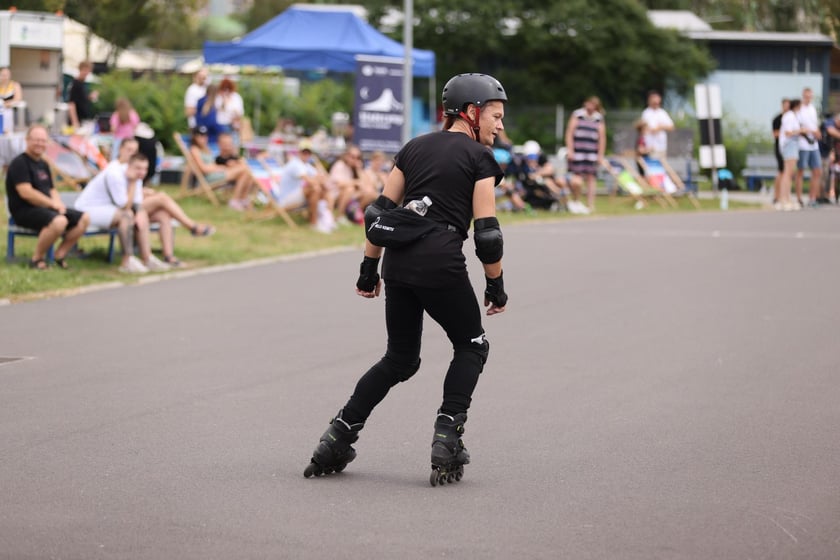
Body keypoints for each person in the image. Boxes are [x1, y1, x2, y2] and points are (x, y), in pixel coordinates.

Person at [302, 73, 509, 486]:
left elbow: (378, 214)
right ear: (471, 113)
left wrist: (368, 269)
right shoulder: (479, 158)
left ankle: (338, 435)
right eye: (496, 115)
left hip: (398, 264)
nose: (500, 125)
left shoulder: (413, 148)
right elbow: (487, 232)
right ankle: (447, 437)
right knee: (472, 345)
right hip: (441, 264)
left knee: (399, 358)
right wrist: (495, 284)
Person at [115, 138, 215, 266]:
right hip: (121, 211)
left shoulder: (134, 167)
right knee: (161, 198)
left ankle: (168, 256)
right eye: (128, 150)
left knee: (163, 215)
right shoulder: (116, 169)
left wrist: (145, 191)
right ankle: (191, 226)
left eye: (134, 150)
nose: (132, 153)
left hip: (134, 206)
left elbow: (135, 193)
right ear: (120, 149)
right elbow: (123, 202)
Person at [5, 124, 91, 269]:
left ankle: (60, 255)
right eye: (36, 140)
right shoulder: (19, 163)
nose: (40, 143)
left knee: (84, 218)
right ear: (27, 140)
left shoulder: (43, 164)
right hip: (24, 211)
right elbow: (26, 192)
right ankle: (37, 259)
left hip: (46, 209)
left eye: (43, 140)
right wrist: (52, 205)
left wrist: (58, 204)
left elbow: (52, 189)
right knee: (59, 221)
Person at [74, 152, 169, 273]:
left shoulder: (136, 176)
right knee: (126, 216)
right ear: (129, 165)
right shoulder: (116, 174)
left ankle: (147, 258)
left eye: (145, 169)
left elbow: (137, 203)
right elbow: (124, 205)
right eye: (138, 168)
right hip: (86, 210)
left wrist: (140, 213)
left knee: (142, 214)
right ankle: (127, 260)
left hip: (106, 209)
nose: (142, 172)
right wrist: (133, 183)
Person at [188, 126, 253, 210]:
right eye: (200, 135)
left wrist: (221, 167)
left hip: (216, 174)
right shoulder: (194, 150)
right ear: (195, 137)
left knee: (246, 171)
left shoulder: (206, 149)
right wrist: (220, 168)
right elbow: (203, 169)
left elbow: (213, 164)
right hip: (208, 178)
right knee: (245, 169)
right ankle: (235, 201)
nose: (203, 138)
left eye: (205, 135)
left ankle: (242, 200)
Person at [275, 146, 332, 232]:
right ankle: (317, 222)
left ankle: (325, 220)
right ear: (299, 153)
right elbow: (310, 180)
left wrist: (320, 177)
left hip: (296, 197)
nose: (306, 155)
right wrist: (320, 181)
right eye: (304, 153)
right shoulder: (295, 164)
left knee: (320, 189)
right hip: (286, 200)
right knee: (314, 188)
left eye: (308, 153)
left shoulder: (306, 165)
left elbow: (323, 178)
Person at [566, 96, 606, 211]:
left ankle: (590, 204)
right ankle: (576, 200)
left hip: (592, 153)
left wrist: (600, 154)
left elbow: (602, 138)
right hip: (578, 151)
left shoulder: (598, 118)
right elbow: (570, 132)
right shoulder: (577, 115)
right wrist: (570, 149)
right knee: (576, 179)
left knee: (591, 178)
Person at [328, 145, 378, 224]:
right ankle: (340, 216)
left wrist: (359, 169)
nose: (355, 160)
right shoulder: (340, 165)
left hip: (350, 196)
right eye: (352, 157)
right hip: (335, 194)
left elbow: (366, 185)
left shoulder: (353, 169)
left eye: (358, 158)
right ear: (346, 156)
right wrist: (355, 182)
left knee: (370, 193)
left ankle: (355, 214)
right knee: (349, 189)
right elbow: (339, 184)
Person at [794, 87, 823, 208]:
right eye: (806, 96)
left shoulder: (813, 109)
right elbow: (799, 126)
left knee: (817, 171)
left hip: (814, 145)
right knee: (800, 171)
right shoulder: (799, 109)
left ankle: (812, 198)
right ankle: (799, 198)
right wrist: (811, 131)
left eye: (810, 96)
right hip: (803, 144)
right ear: (803, 96)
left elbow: (814, 125)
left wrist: (817, 132)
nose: (808, 98)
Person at [776, 98, 803, 211]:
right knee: (787, 173)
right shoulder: (790, 116)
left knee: (789, 173)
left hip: (793, 144)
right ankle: (783, 199)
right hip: (789, 144)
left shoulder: (792, 116)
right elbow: (788, 133)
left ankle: (787, 198)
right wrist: (802, 131)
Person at [640, 90, 674, 159]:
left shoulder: (662, 113)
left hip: (661, 146)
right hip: (650, 147)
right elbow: (642, 130)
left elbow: (671, 127)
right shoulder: (646, 113)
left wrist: (660, 127)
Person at [67, 61, 99, 131]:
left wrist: (90, 97)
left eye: (88, 71)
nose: (86, 73)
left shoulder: (82, 84)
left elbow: (81, 100)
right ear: (80, 69)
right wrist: (75, 122)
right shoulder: (76, 84)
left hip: (83, 120)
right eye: (85, 70)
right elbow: (71, 104)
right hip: (77, 120)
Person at [772, 98, 790, 204]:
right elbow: (775, 133)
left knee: (787, 173)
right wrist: (786, 133)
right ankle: (776, 196)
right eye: (785, 106)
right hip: (779, 147)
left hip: (789, 148)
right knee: (781, 171)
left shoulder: (791, 118)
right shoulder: (777, 119)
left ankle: (785, 195)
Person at [0, 67, 23, 134]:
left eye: (7, 75)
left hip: (10, 113)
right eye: (3, 75)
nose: (5, 77)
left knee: (8, 132)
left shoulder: (14, 85)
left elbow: (17, 99)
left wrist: (4, 104)